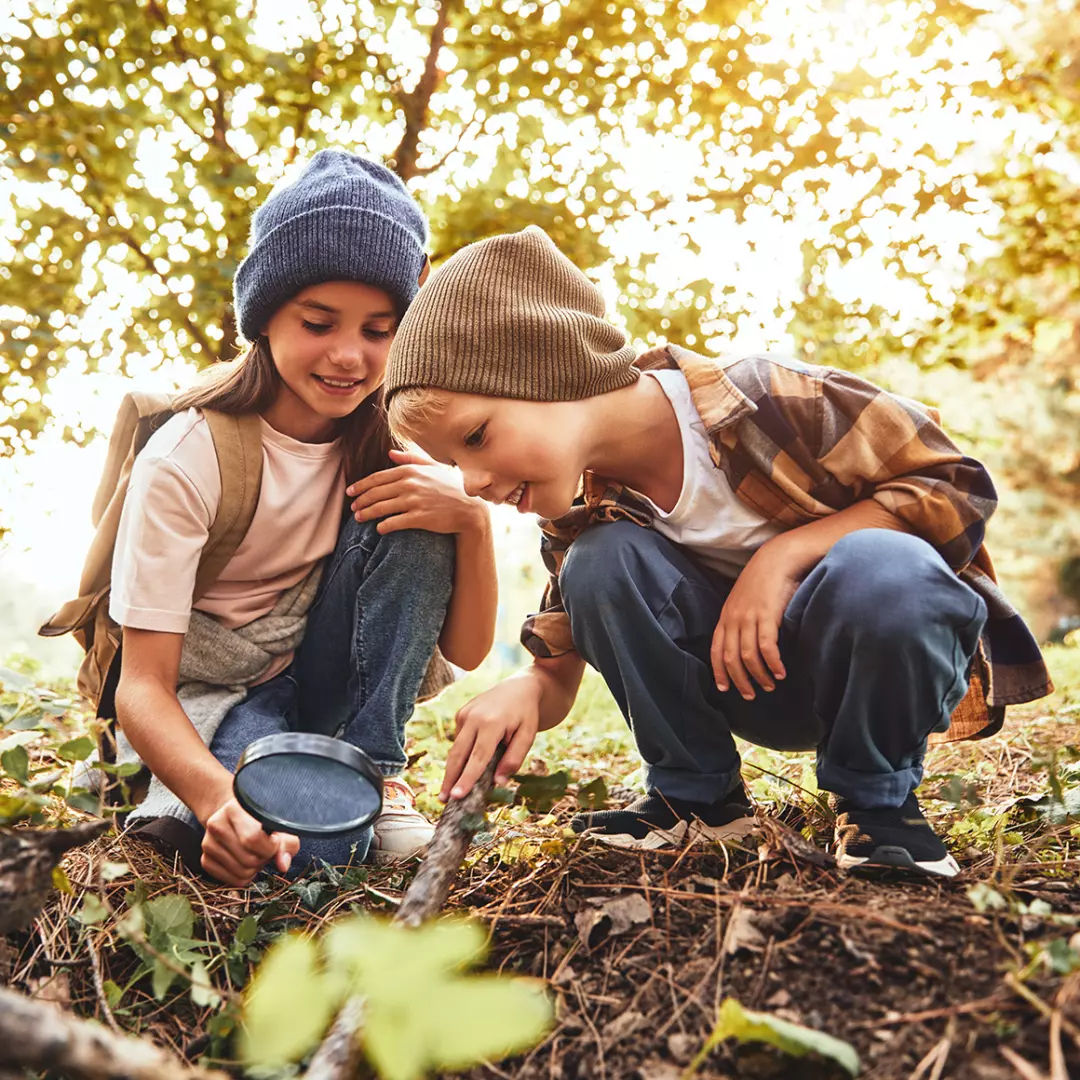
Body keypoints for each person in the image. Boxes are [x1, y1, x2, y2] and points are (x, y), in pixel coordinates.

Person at [380, 225, 1051, 878]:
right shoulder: (579, 515)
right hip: (750, 688)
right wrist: (525, 691)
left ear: (549, 369)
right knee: (601, 559)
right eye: (449, 462)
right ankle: (697, 799)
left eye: (474, 437)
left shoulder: (770, 398)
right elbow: (560, 666)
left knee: (886, 566)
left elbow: (953, 485)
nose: (470, 482)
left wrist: (782, 557)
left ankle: (880, 808)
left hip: (876, 664)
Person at [111, 150, 497, 887]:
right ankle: (237, 777)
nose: (349, 356)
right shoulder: (188, 458)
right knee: (293, 854)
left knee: (419, 510)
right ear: (266, 316)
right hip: (217, 690)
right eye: (319, 322)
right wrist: (217, 802)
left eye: (380, 331)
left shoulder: (392, 446)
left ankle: (375, 770)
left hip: (324, 673)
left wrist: (470, 520)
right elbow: (143, 685)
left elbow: (470, 649)